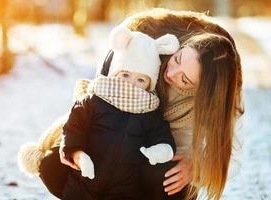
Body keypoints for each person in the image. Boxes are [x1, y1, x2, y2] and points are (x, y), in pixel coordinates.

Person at [18, 8, 243, 200]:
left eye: (185, 80)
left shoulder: (223, 101)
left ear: (205, 93)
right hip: (110, 146)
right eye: (177, 59)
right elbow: (92, 104)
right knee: (53, 164)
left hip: (154, 160)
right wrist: (73, 147)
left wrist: (196, 167)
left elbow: (231, 157)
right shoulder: (150, 49)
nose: (171, 73)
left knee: (168, 177)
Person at [60, 25, 178, 199]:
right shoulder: (94, 100)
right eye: (125, 75)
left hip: (125, 189)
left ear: (150, 84)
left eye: (140, 79)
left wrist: (161, 150)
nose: (131, 84)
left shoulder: (149, 111)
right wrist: (78, 154)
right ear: (114, 71)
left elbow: (162, 135)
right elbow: (74, 128)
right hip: (83, 181)